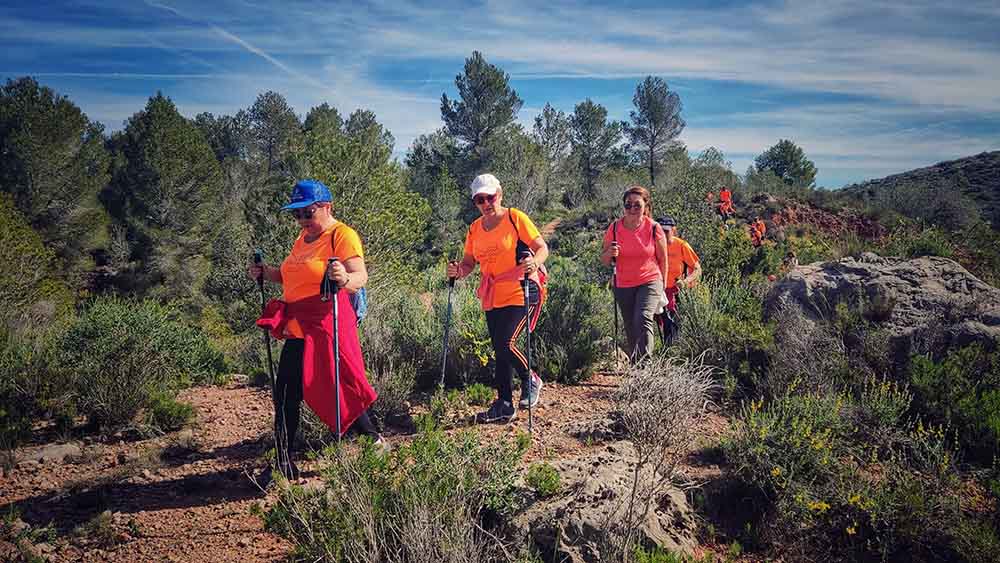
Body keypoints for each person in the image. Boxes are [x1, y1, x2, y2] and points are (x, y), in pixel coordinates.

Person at [250, 179, 383, 481]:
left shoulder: (342, 235)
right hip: (298, 325)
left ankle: (372, 439)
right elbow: (291, 278)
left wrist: (344, 279)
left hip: (328, 321)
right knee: (285, 393)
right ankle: (283, 462)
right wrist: (266, 273)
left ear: (326, 206)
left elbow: (360, 276)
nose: (302, 220)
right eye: (296, 214)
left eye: (308, 213)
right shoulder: (301, 239)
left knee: (340, 382)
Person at [447, 173, 548, 424]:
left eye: (490, 197)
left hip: (521, 287)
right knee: (500, 350)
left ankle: (530, 378)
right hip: (493, 294)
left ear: (499, 194)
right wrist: (459, 271)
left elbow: (541, 247)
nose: (486, 204)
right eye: (479, 200)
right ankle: (504, 403)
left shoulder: (515, 218)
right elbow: (470, 262)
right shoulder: (474, 229)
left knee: (506, 343)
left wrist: (534, 262)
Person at [601, 186, 668, 364]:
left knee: (643, 316)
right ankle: (636, 364)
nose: (632, 209)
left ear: (646, 206)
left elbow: (663, 259)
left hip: (650, 280)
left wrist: (663, 285)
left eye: (637, 205)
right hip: (623, 283)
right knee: (631, 325)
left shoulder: (654, 228)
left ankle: (645, 366)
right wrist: (610, 253)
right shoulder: (614, 228)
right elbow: (605, 260)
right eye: (628, 205)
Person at [658, 216, 702, 315]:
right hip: (657, 290)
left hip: (675, 292)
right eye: (660, 231)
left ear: (673, 230)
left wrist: (685, 281)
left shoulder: (682, 245)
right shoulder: (653, 245)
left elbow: (697, 269)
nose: (663, 235)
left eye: (666, 231)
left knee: (672, 324)